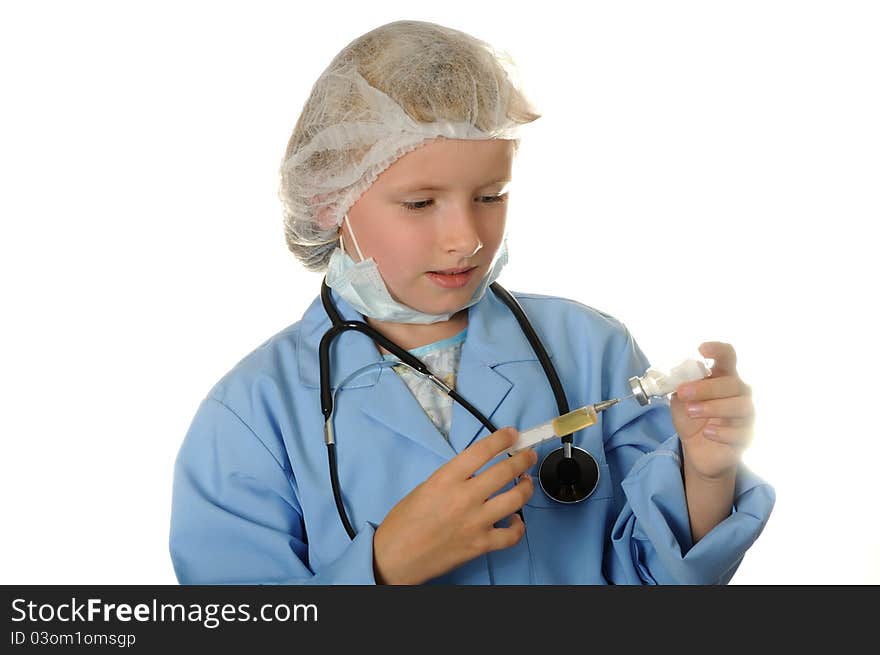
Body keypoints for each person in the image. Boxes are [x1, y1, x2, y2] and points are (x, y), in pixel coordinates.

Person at [168, 19, 774, 585]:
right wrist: (382, 567)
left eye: (490, 195)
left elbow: (654, 578)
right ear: (329, 200)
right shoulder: (251, 414)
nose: (467, 238)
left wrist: (707, 474)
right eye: (419, 203)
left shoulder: (591, 351)